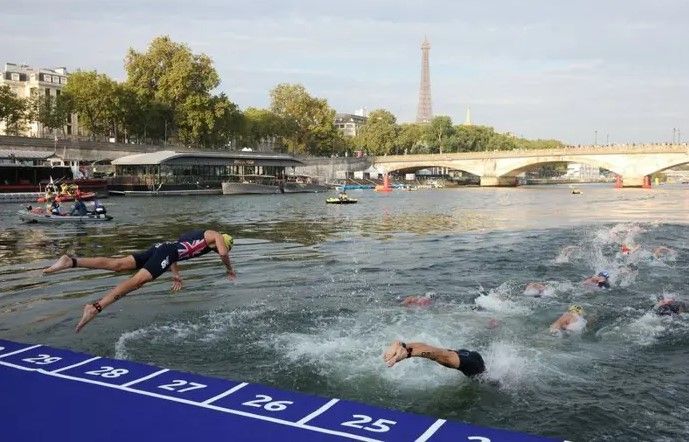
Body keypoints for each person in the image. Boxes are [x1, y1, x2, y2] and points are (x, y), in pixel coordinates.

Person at [43, 229, 236, 333]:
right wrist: (229, 269)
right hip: (166, 252)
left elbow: (175, 250)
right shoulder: (215, 235)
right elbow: (224, 253)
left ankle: (72, 261)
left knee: (117, 264)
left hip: (161, 248)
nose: (215, 248)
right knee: (137, 282)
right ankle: (95, 307)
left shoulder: (195, 236)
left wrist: (175, 273)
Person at [383, 340, 485, 378]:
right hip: (471, 362)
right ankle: (406, 349)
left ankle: (405, 348)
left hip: (466, 356)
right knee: (439, 354)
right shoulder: (483, 376)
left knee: (440, 353)